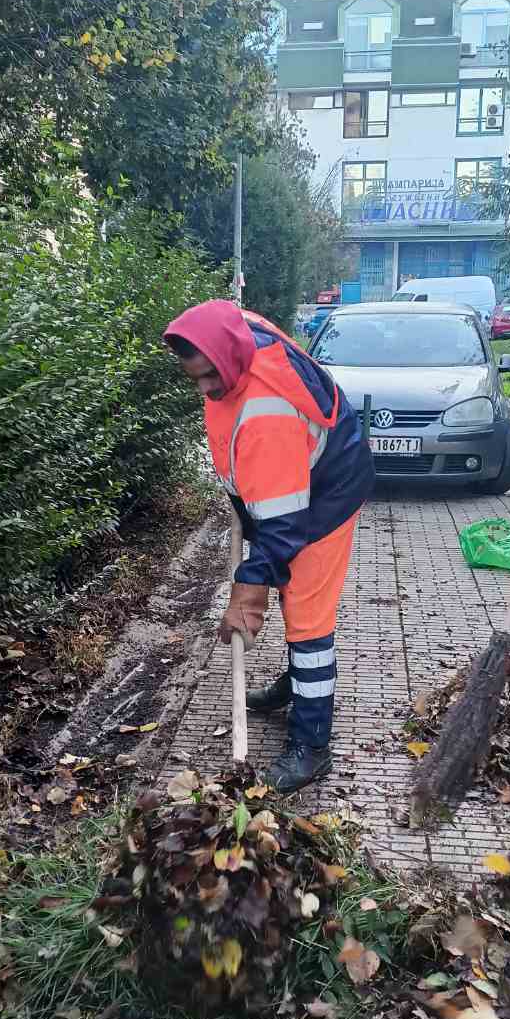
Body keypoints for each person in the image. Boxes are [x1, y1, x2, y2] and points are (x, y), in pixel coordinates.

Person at [164, 299, 375, 792]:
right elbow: (269, 502)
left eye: (210, 377)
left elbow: (284, 527)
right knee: (281, 582)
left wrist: (249, 585)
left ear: (231, 356)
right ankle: (297, 686)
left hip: (327, 496)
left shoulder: (267, 413)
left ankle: (312, 743)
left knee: (307, 618)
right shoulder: (238, 336)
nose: (206, 389)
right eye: (194, 378)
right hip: (293, 483)